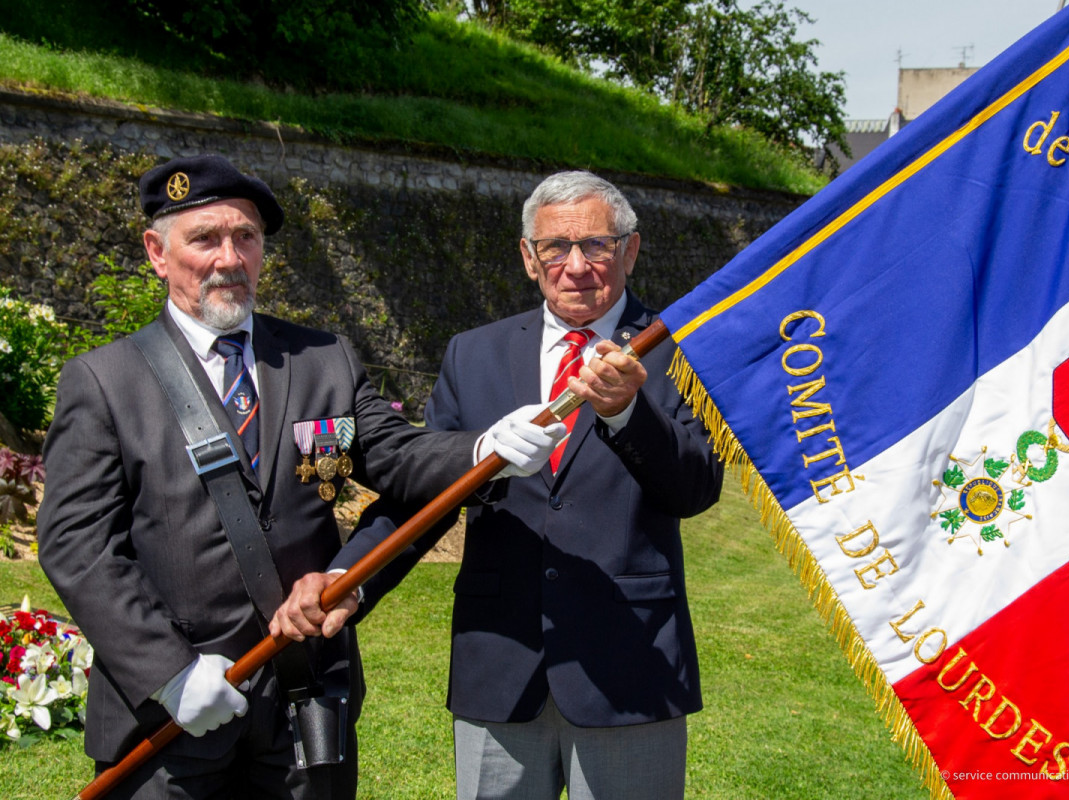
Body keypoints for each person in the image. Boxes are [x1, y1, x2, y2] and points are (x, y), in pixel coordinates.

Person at [37, 154, 564, 799]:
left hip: (306, 697)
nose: (229, 258)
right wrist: (168, 671)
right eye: (204, 238)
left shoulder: (320, 359)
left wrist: (483, 449)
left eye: (246, 237)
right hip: (170, 715)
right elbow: (79, 546)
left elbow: (397, 458)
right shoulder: (104, 381)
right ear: (156, 251)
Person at [322, 170, 724, 799]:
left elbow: (697, 486)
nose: (575, 265)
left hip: (631, 662)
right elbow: (425, 491)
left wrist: (626, 414)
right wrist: (350, 579)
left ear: (631, 250)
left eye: (596, 245)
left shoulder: (682, 349)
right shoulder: (472, 353)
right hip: (500, 661)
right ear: (528, 258)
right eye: (554, 248)